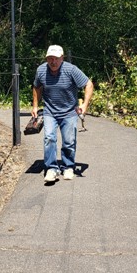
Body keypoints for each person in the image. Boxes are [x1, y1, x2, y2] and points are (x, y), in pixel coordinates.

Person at [31, 45, 94, 183]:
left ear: (62, 58)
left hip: (69, 112)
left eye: (56, 59)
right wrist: (35, 106)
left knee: (69, 141)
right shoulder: (41, 70)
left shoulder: (71, 70)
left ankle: (68, 166)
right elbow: (36, 87)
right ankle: (51, 169)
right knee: (49, 138)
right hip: (50, 111)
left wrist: (85, 104)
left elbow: (88, 84)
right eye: (50, 58)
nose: (53, 62)